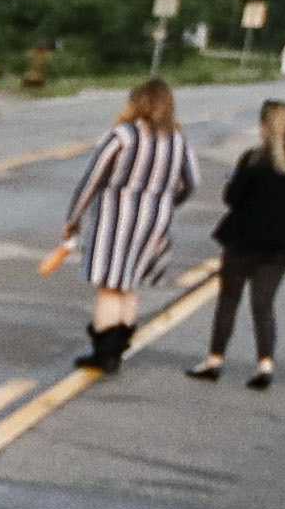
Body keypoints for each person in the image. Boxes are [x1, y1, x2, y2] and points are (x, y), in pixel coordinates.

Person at [45, 77, 197, 374]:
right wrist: (166, 203)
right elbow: (191, 183)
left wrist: (73, 220)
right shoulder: (178, 140)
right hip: (156, 221)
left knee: (110, 286)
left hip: (116, 218)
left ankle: (105, 353)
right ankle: (121, 344)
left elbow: (93, 180)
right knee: (131, 285)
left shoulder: (122, 137)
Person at [185, 98, 285, 386]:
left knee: (229, 300)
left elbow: (232, 198)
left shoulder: (253, 159)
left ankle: (215, 361)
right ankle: (265, 365)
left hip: (244, 239)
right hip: (282, 242)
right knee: (263, 305)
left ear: (264, 126)